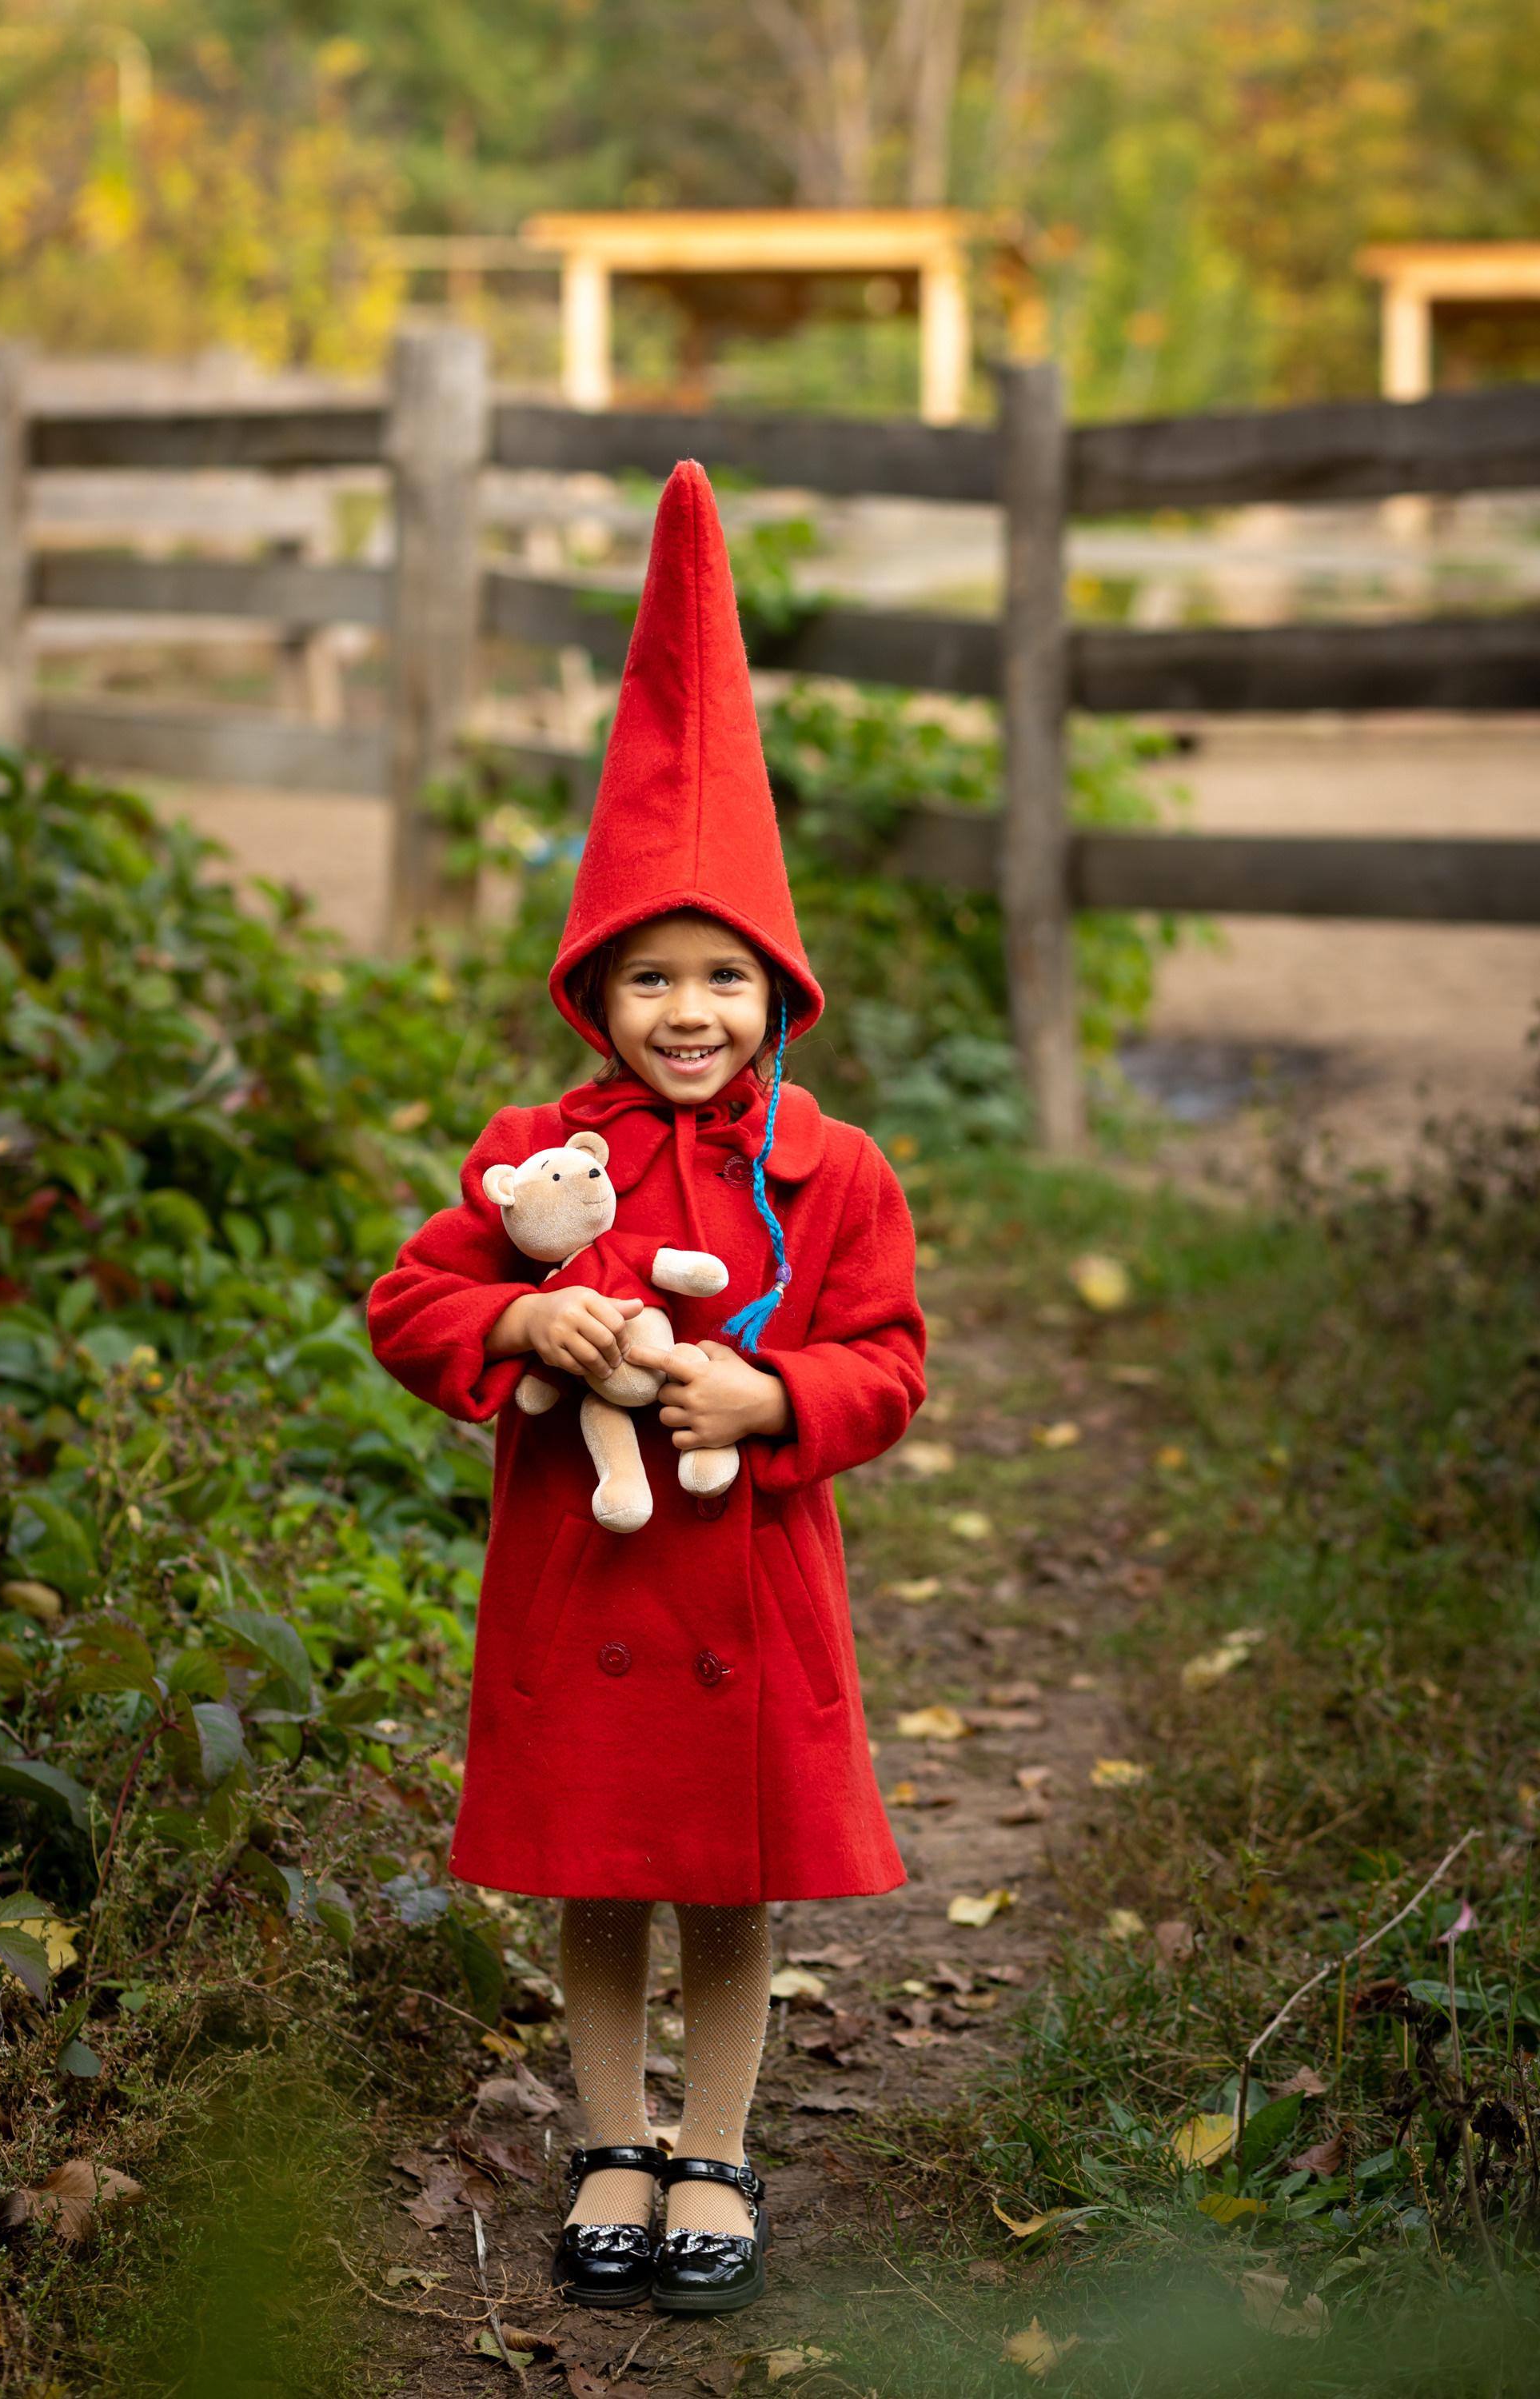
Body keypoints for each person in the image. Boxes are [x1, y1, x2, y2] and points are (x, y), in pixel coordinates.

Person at [369, 461, 924, 2317]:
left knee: (726, 1886)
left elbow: (889, 1362)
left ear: (778, 993)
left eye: (724, 978)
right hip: (583, 1579)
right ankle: (612, 2138)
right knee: (598, 1877)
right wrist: (522, 1332)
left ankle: (719, 2148)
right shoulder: (539, 1158)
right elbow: (410, 1301)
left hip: (745, 1589)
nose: (690, 1012)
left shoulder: (832, 1172)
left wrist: (776, 1405)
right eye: (652, 980)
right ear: (594, 996)